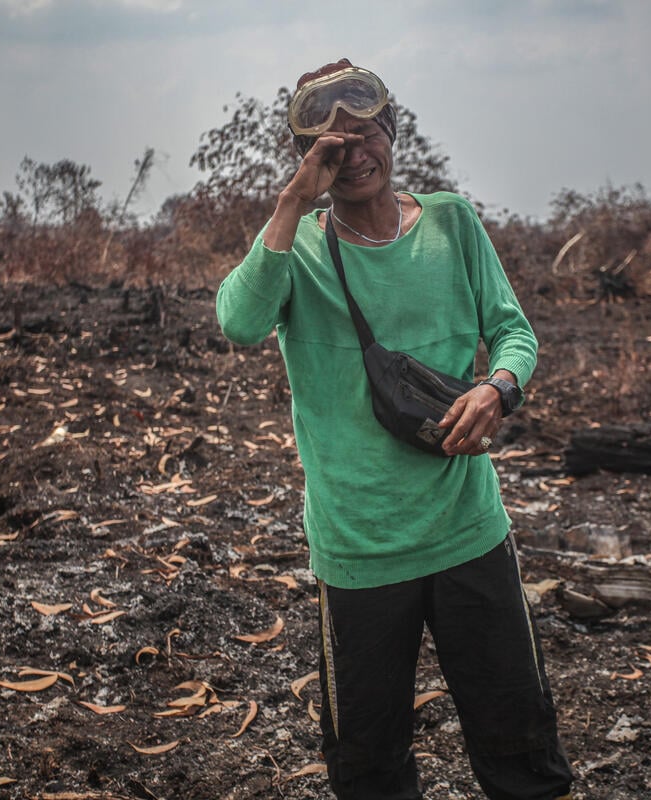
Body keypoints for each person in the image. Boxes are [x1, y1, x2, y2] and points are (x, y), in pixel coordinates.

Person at [216, 59, 574, 800]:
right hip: (359, 552)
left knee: (521, 746)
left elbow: (514, 334)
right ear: (310, 162)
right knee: (369, 765)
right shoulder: (299, 250)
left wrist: (498, 390)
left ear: (393, 132)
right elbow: (239, 322)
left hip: (468, 531)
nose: (355, 155)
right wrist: (291, 202)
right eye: (331, 148)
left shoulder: (452, 222)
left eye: (366, 133)